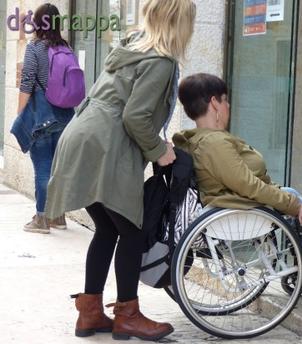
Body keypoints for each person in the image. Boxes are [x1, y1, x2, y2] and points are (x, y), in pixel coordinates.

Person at [45, 0, 196, 341]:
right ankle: (127, 315)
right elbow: (135, 117)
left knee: (106, 228)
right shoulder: (159, 61)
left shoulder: (130, 48)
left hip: (82, 137)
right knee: (131, 230)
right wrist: (159, 151)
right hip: (106, 147)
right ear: (180, 23)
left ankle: (90, 314)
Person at [172, 73, 302, 294]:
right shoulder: (214, 143)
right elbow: (248, 186)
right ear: (214, 103)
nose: (228, 105)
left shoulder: (195, 139)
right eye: (225, 100)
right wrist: (291, 204)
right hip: (234, 209)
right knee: (298, 201)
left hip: (230, 202)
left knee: (293, 195)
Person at [16, 4, 74, 234]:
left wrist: (21, 114)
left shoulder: (34, 48)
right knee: (58, 168)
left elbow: (27, 82)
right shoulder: (65, 47)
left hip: (41, 116)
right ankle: (58, 215)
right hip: (65, 115)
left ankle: (41, 219)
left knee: (42, 167)